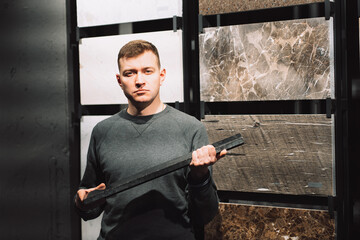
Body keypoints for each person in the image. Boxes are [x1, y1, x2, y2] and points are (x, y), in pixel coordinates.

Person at [74, 40, 227, 240]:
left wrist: (200, 177)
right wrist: (81, 201)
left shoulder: (191, 128)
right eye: (130, 73)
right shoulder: (103, 131)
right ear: (120, 80)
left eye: (148, 71)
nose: (139, 80)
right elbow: (89, 206)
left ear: (161, 76)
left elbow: (205, 214)